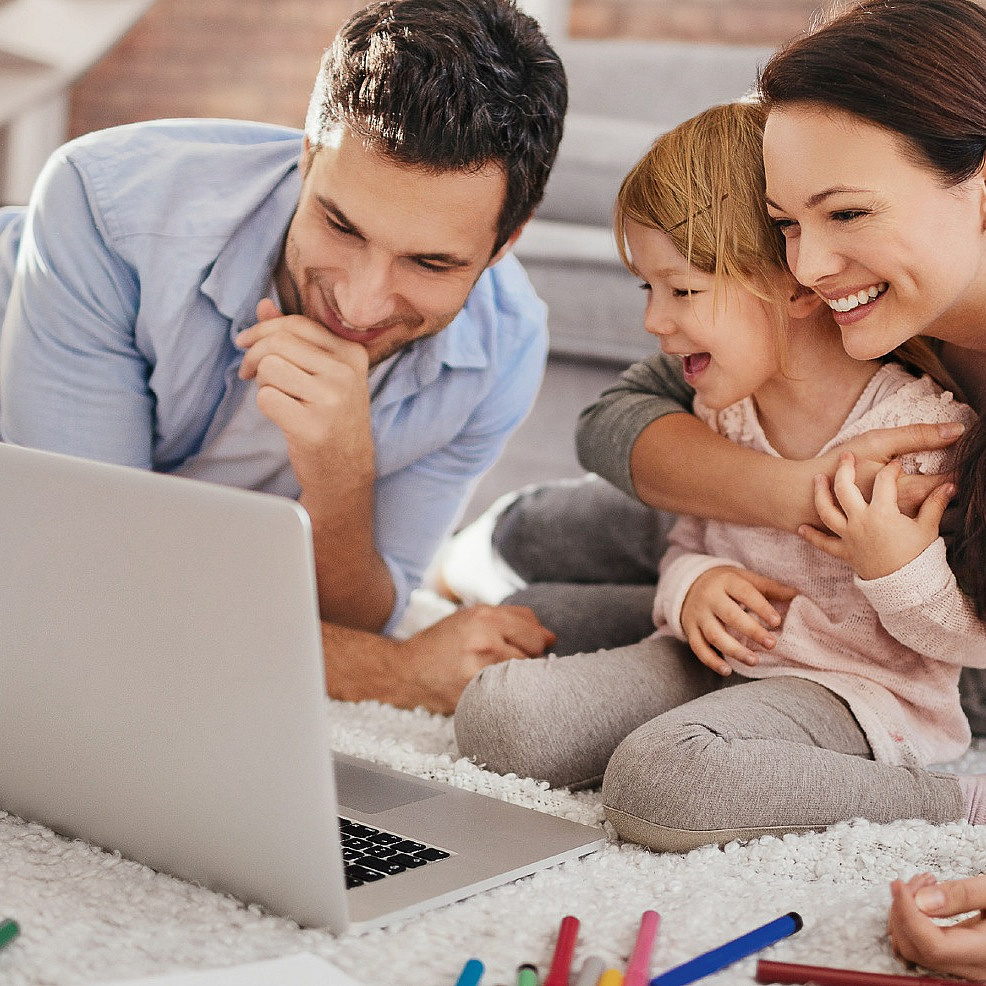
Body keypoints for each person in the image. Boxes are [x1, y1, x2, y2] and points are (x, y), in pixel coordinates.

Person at [0, 0, 567, 714]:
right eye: (340, 224)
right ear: (307, 156)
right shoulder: (106, 209)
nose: (359, 305)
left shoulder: (504, 352)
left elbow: (355, 617)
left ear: (506, 243)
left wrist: (341, 477)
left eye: (430, 262)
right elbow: (81, 589)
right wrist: (392, 673)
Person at [454, 98, 986, 854]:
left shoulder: (921, 438)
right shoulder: (720, 408)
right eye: (648, 289)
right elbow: (681, 529)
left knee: (661, 780)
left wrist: (895, 569)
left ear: (796, 287)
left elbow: (966, 644)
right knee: (499, 715)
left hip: (849, 688)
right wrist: (694, 582)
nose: (653, 322)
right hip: (723, 655)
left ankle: (956, 803)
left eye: (683, 291)